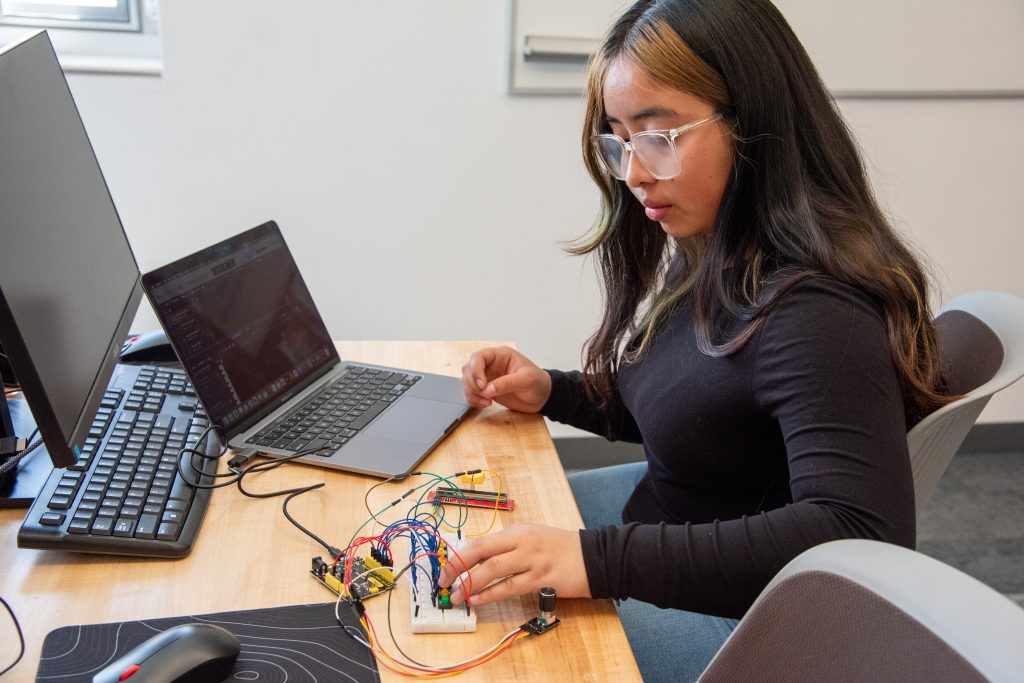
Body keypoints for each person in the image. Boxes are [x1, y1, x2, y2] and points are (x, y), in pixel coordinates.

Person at [438, 0, 953, 680]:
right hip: (674, 545)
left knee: (468, 649)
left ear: (753, 123)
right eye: (619, 141)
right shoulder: (718, 249)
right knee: (465, 539)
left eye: (658, 135)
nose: (634, 174)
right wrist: (553, 390)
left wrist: (595, 560)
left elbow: (856, 529)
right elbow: (698, 408)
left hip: (746, 626)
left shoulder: (815, 309)